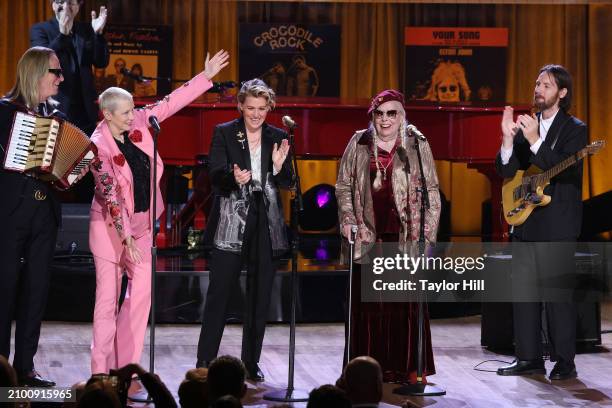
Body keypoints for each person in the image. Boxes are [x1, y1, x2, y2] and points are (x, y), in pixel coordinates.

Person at [88, 50, 229, 386]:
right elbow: (111, 198)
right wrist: (125, 240)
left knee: (140, 298)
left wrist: (204, 76)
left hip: (140, 226)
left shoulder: (139, 121)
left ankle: (126, 365)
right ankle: (98, 370)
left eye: (132, 109)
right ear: (106, 115)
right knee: (107, 299)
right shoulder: (97, 146)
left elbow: (171, 102)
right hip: (109, 229)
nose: (131, 116)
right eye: (123, 113)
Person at [335, 89, 441, 383]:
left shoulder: (417, 144)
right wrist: (347, 218)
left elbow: (431, 190)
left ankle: (409, 369)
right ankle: (364, 372)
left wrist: (427, 236)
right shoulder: (359, 142)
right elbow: (343, 186)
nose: (385, 120)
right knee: (368, 309)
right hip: (368, 237)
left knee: (404, 307)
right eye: (379, 114)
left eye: (391, 113)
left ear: (402, 116)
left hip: (405, 237)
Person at [495, 64, 587, 381]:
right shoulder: (525, 127)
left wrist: (534, 140)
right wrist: (508, 141)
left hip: (558, 225)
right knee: (524, 296)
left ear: (562, 93)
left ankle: (565, 362)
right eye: (536, 83)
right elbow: (508, 173)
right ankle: (528, 358)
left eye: (546, 85)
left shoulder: (575, 129)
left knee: (558, 298)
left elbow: (564, 169)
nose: (538, 89)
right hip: (526, 222)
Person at [197, 79, 292, 381]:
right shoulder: (224, 132)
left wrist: (278, 168)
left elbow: (289, 181)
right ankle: (205, 361)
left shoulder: (278, 135)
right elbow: (214, 174)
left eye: (262, 109)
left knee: (260, 295)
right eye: (250, 108)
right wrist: (232, 177)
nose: (255, 114)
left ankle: (250, 363)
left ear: (269, 108)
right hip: (230, 220)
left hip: (265, 222)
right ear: (240, 105)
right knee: (219, 294)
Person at [0, 46, 66, 387]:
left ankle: (25, 368)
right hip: (11, 212)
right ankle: (0, 369)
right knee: (4, 290)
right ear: (37, 72)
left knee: (36, 291)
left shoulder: (55, 114)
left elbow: (63, 165)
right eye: (55, 72)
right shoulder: (4, 111)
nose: (61, 78)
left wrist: (73, 170)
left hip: (45, 212)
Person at [30, 0, 109, 136]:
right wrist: (62, 35)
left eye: (71, 2)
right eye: (60, 2)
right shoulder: (40, 29)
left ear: (78, 6)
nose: (65, 7)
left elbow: (101, 62)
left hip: (86, 111)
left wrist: (98, 35)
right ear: (53, 4)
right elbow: (41, 63)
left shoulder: (87, 29)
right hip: (55, 106)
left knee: (87, 155)